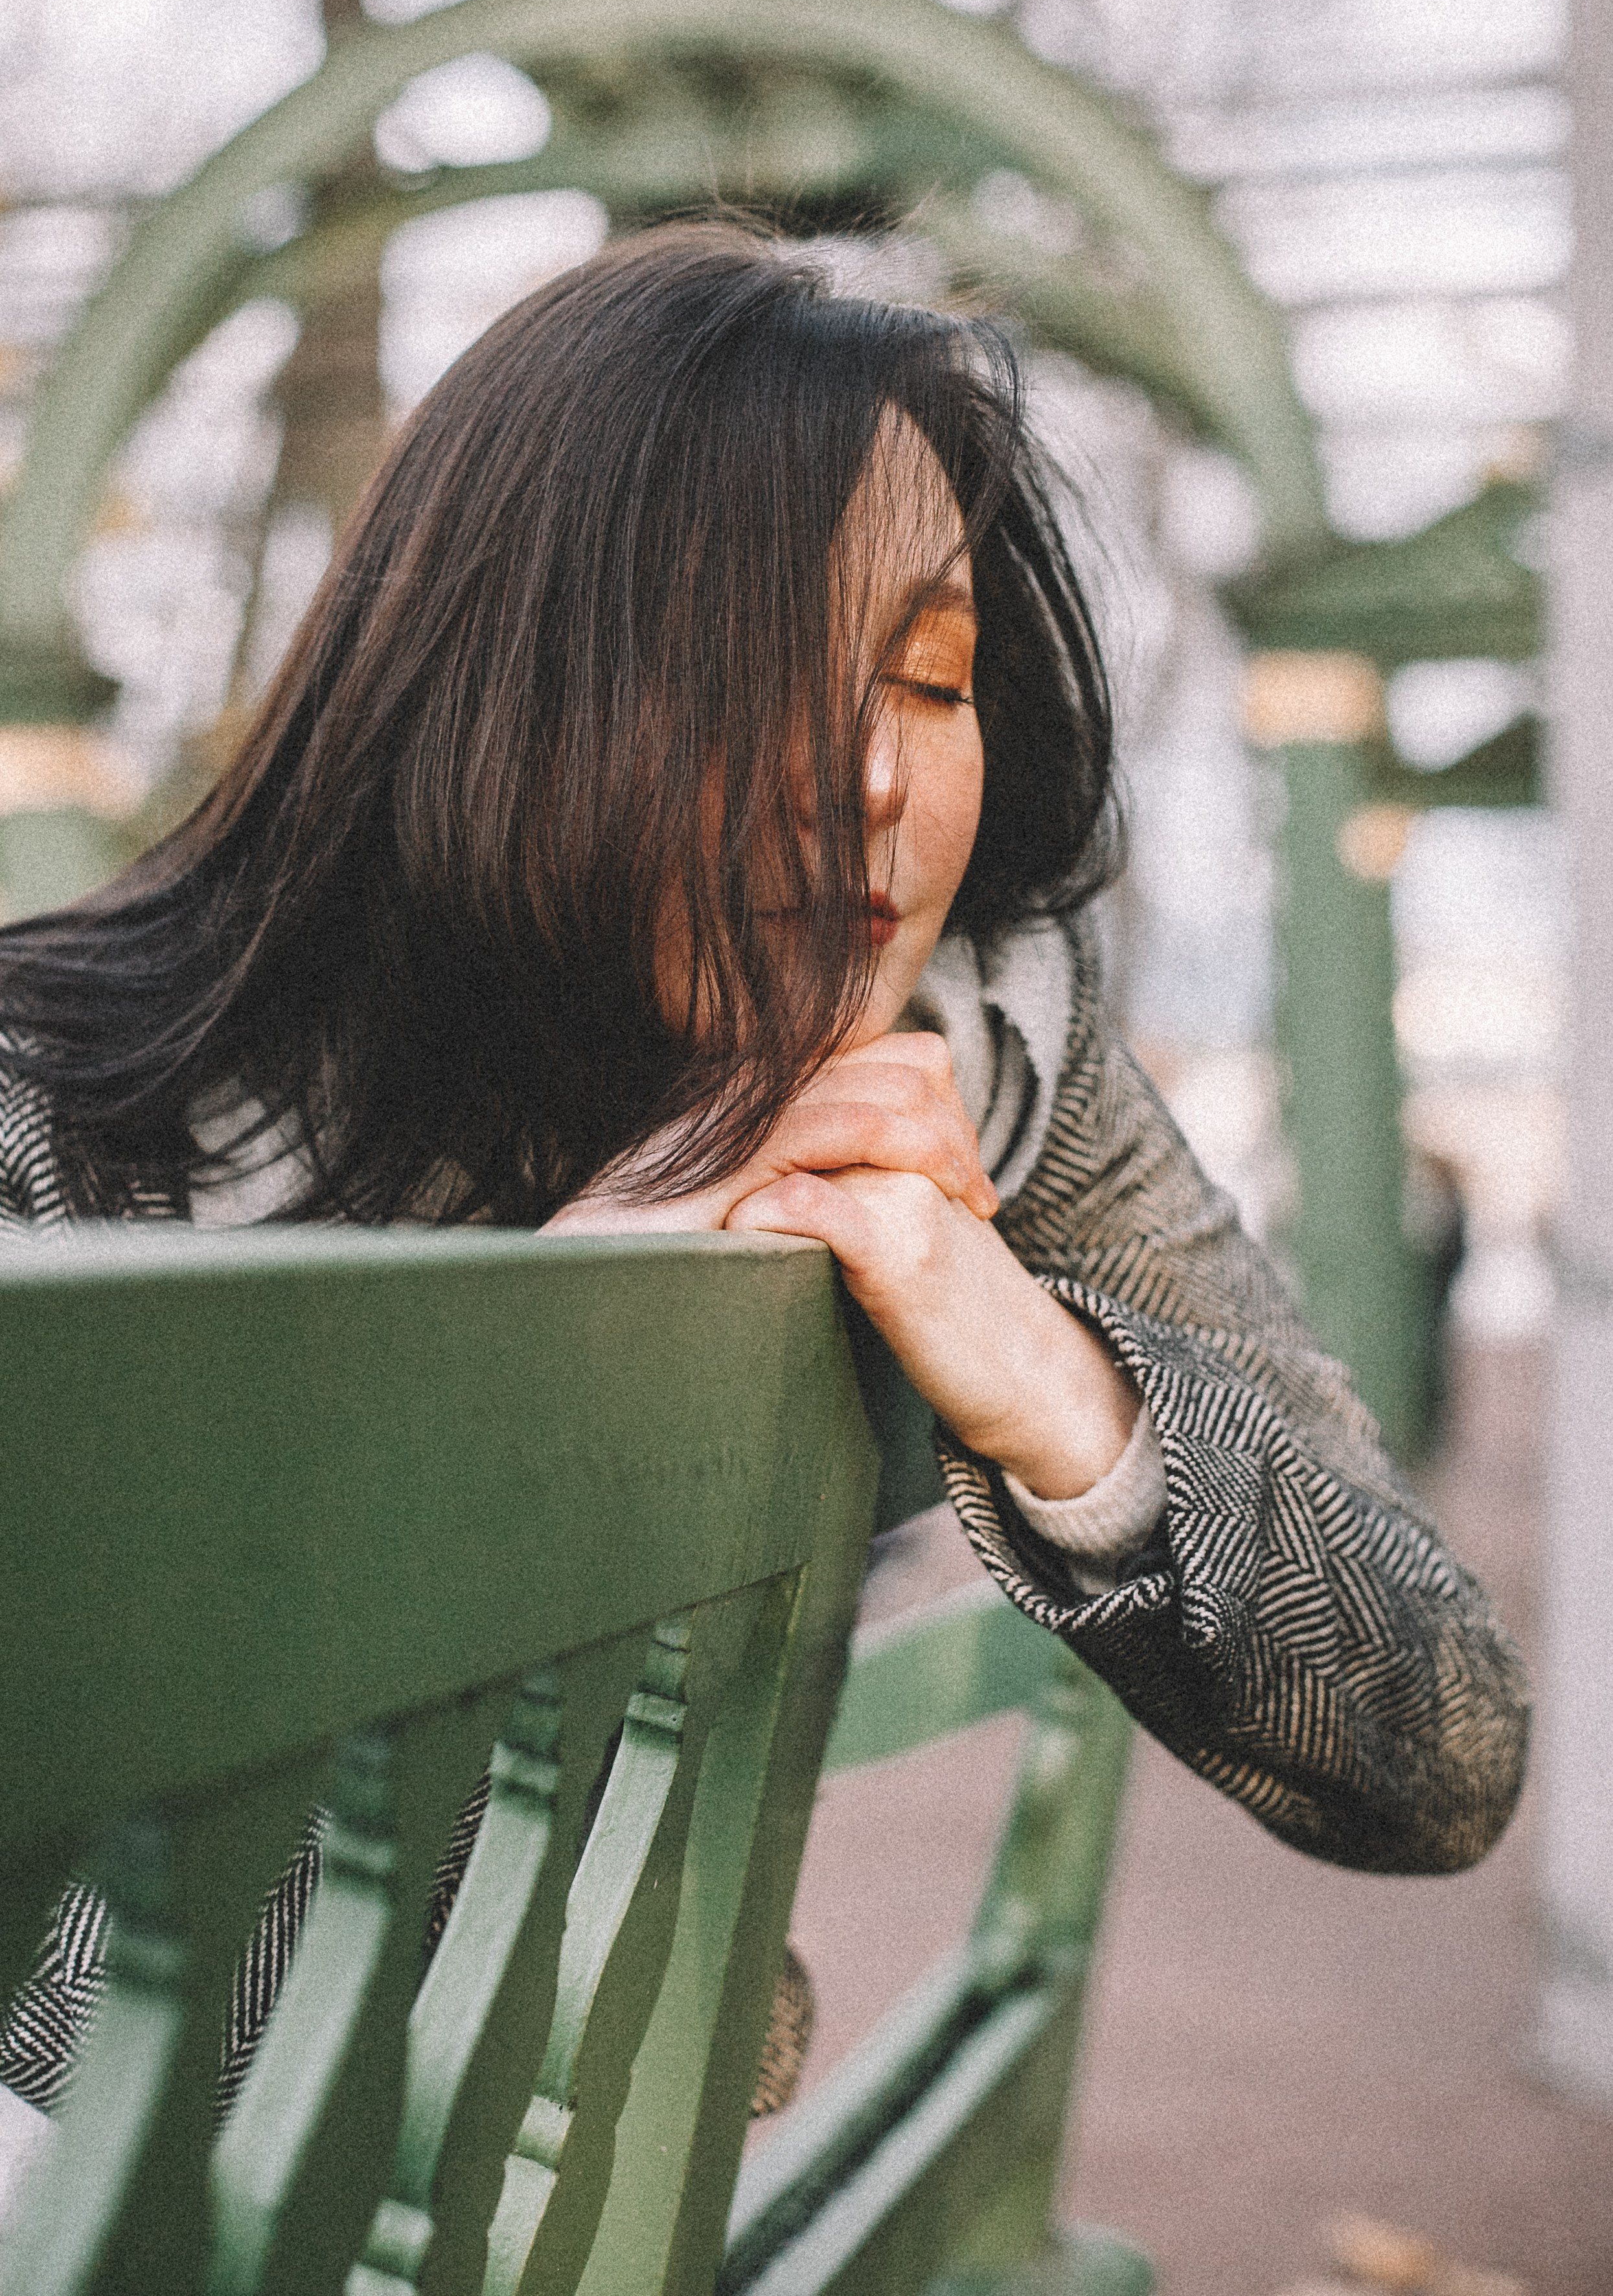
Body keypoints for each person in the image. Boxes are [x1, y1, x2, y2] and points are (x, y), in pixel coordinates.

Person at [0, 222, 1526, 2142]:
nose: (869, 780)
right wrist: (517, 1425)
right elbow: (72, 2056)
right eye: (745, 674)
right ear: (494, 686)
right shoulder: (62, 1124)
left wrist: (1067, 1396)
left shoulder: (976, 1057)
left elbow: (1442, 1750)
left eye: (931, 680)